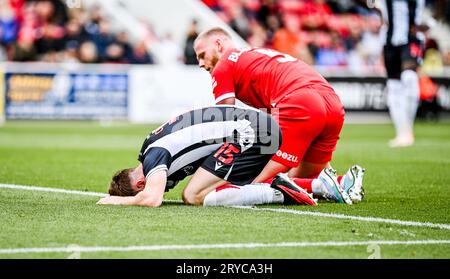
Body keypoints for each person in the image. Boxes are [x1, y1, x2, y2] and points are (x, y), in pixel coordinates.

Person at [193, 27, 364, 203]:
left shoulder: (224, 64)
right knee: (299, 177)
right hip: (332, 103)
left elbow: (225, 118)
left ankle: (327, 184)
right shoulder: (255, 53)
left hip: (299, 101)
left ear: (219, 44)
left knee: (254, 184)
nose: (200, 63)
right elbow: (269, 117)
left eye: (201, 55)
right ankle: (343, 182)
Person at [97, 106, 352, 207]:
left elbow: (152, 199)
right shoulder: (152, 147)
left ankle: (279, 192)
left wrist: (113, 201)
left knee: (193, 195)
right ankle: (326, 185)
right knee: (214, 187)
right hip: (254, 126)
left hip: (251, 131)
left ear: (139, 183)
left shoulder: (154, 158)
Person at [379, 0, 426, 147]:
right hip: (389, 41)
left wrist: (434, 20)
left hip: (412, 39)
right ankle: (401, 132)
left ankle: (408, 130)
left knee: (410, 77)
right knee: (393, 85)